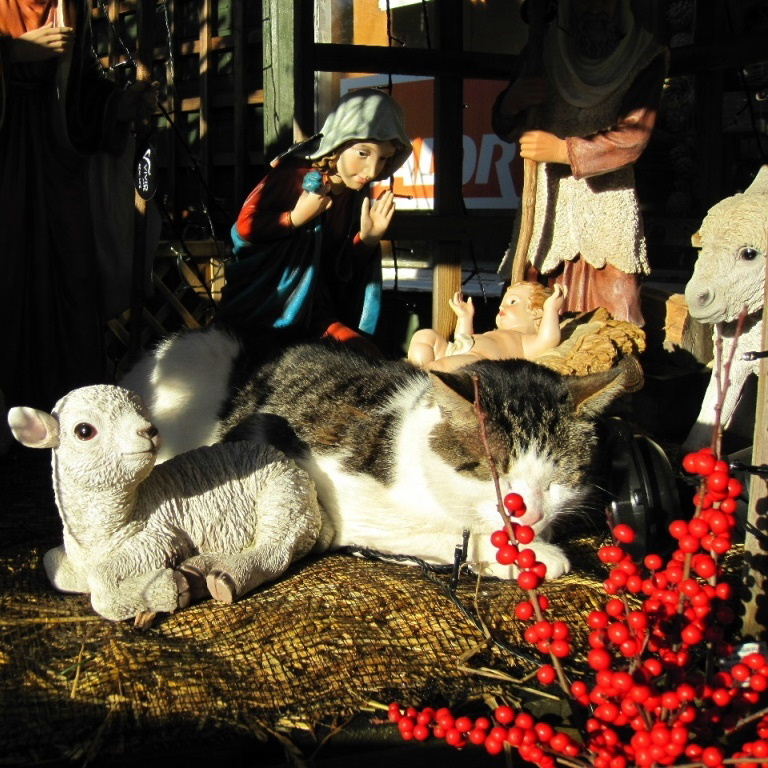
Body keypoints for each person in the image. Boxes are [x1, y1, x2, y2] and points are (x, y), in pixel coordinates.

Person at [0, 0, 157, 411]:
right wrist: (10, 55)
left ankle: (70, 408)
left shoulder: (69, 7)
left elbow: (82, 85)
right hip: (6, 164)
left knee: (68, 275)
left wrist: (117, 104)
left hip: (57, 168)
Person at [492, 0, 667, 326]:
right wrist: (513, 102)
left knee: (613, 314)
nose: (595, 9)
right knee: (536, 307)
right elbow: (506, 122)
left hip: (606, 206)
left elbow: (633, 136)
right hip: (549, 205)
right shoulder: (542, 51)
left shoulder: (643, 57)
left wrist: (564, 151)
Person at [218, 87, 412, 344]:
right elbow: (244, 229)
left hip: (315, 312)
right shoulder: (295, 175)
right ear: (338, 144)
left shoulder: (353, 195)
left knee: (360, 353)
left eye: (384, 158)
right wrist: (295, 218)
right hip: (269, 308)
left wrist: (366, 240)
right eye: (363, 153)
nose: (372, 169)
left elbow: (337, 267)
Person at [407, 281, 566, 373]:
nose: (501, 307)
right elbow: (463, 340)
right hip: (457, 349)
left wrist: (551, 309)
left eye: (512, 302)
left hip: (478, 362)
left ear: (537, 313)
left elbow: (548, 339)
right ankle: (415, 369)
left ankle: (417, 379)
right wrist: (465, 317)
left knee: (439, 367)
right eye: (502, 304)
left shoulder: (525, 341)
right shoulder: (496, 332)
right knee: (425, 336)